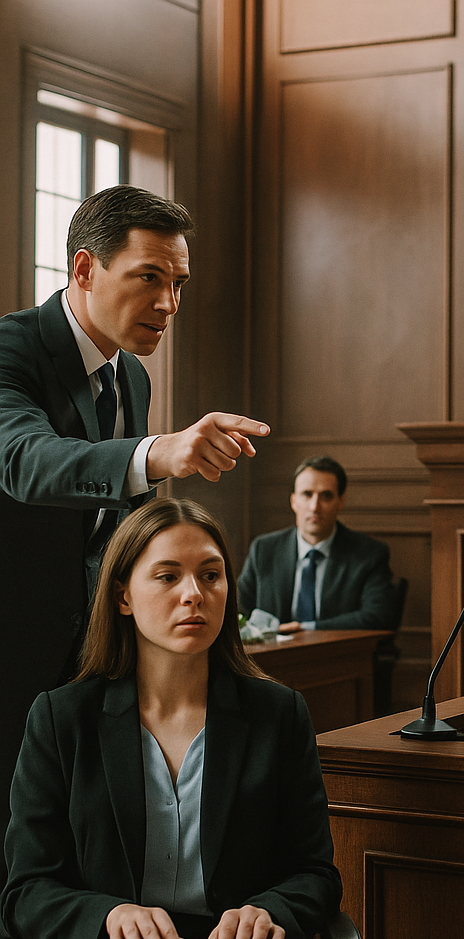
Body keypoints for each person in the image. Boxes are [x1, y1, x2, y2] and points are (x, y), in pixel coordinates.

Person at [0, 185, 271, 860]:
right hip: (11, 657)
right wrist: (160, 452)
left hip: (93, 662)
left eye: (178, 283)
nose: (169, 304)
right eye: (149, 278)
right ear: (86, 270)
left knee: (74, 856)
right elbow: (28, 463)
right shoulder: (12, 349)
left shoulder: (133, 378)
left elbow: (118, 523)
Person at [1, 498, 341, 939]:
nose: (194, 595)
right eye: (167, 576)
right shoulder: (60, 718)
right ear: (123, 597)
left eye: (211, 575)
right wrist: (107, 916)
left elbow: (315, 872)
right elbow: (26, 890)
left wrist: (271, 910)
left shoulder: (279, 714)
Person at [238, 455, 396, 633]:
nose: (315, 506)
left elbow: (378, 616)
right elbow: (237, 610)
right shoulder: (264, 549)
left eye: (326, 496)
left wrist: (304, 628)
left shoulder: (370, 554)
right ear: (294, 501)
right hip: (271, 656)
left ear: (340, 502)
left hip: (340, 656)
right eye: (307, 494)